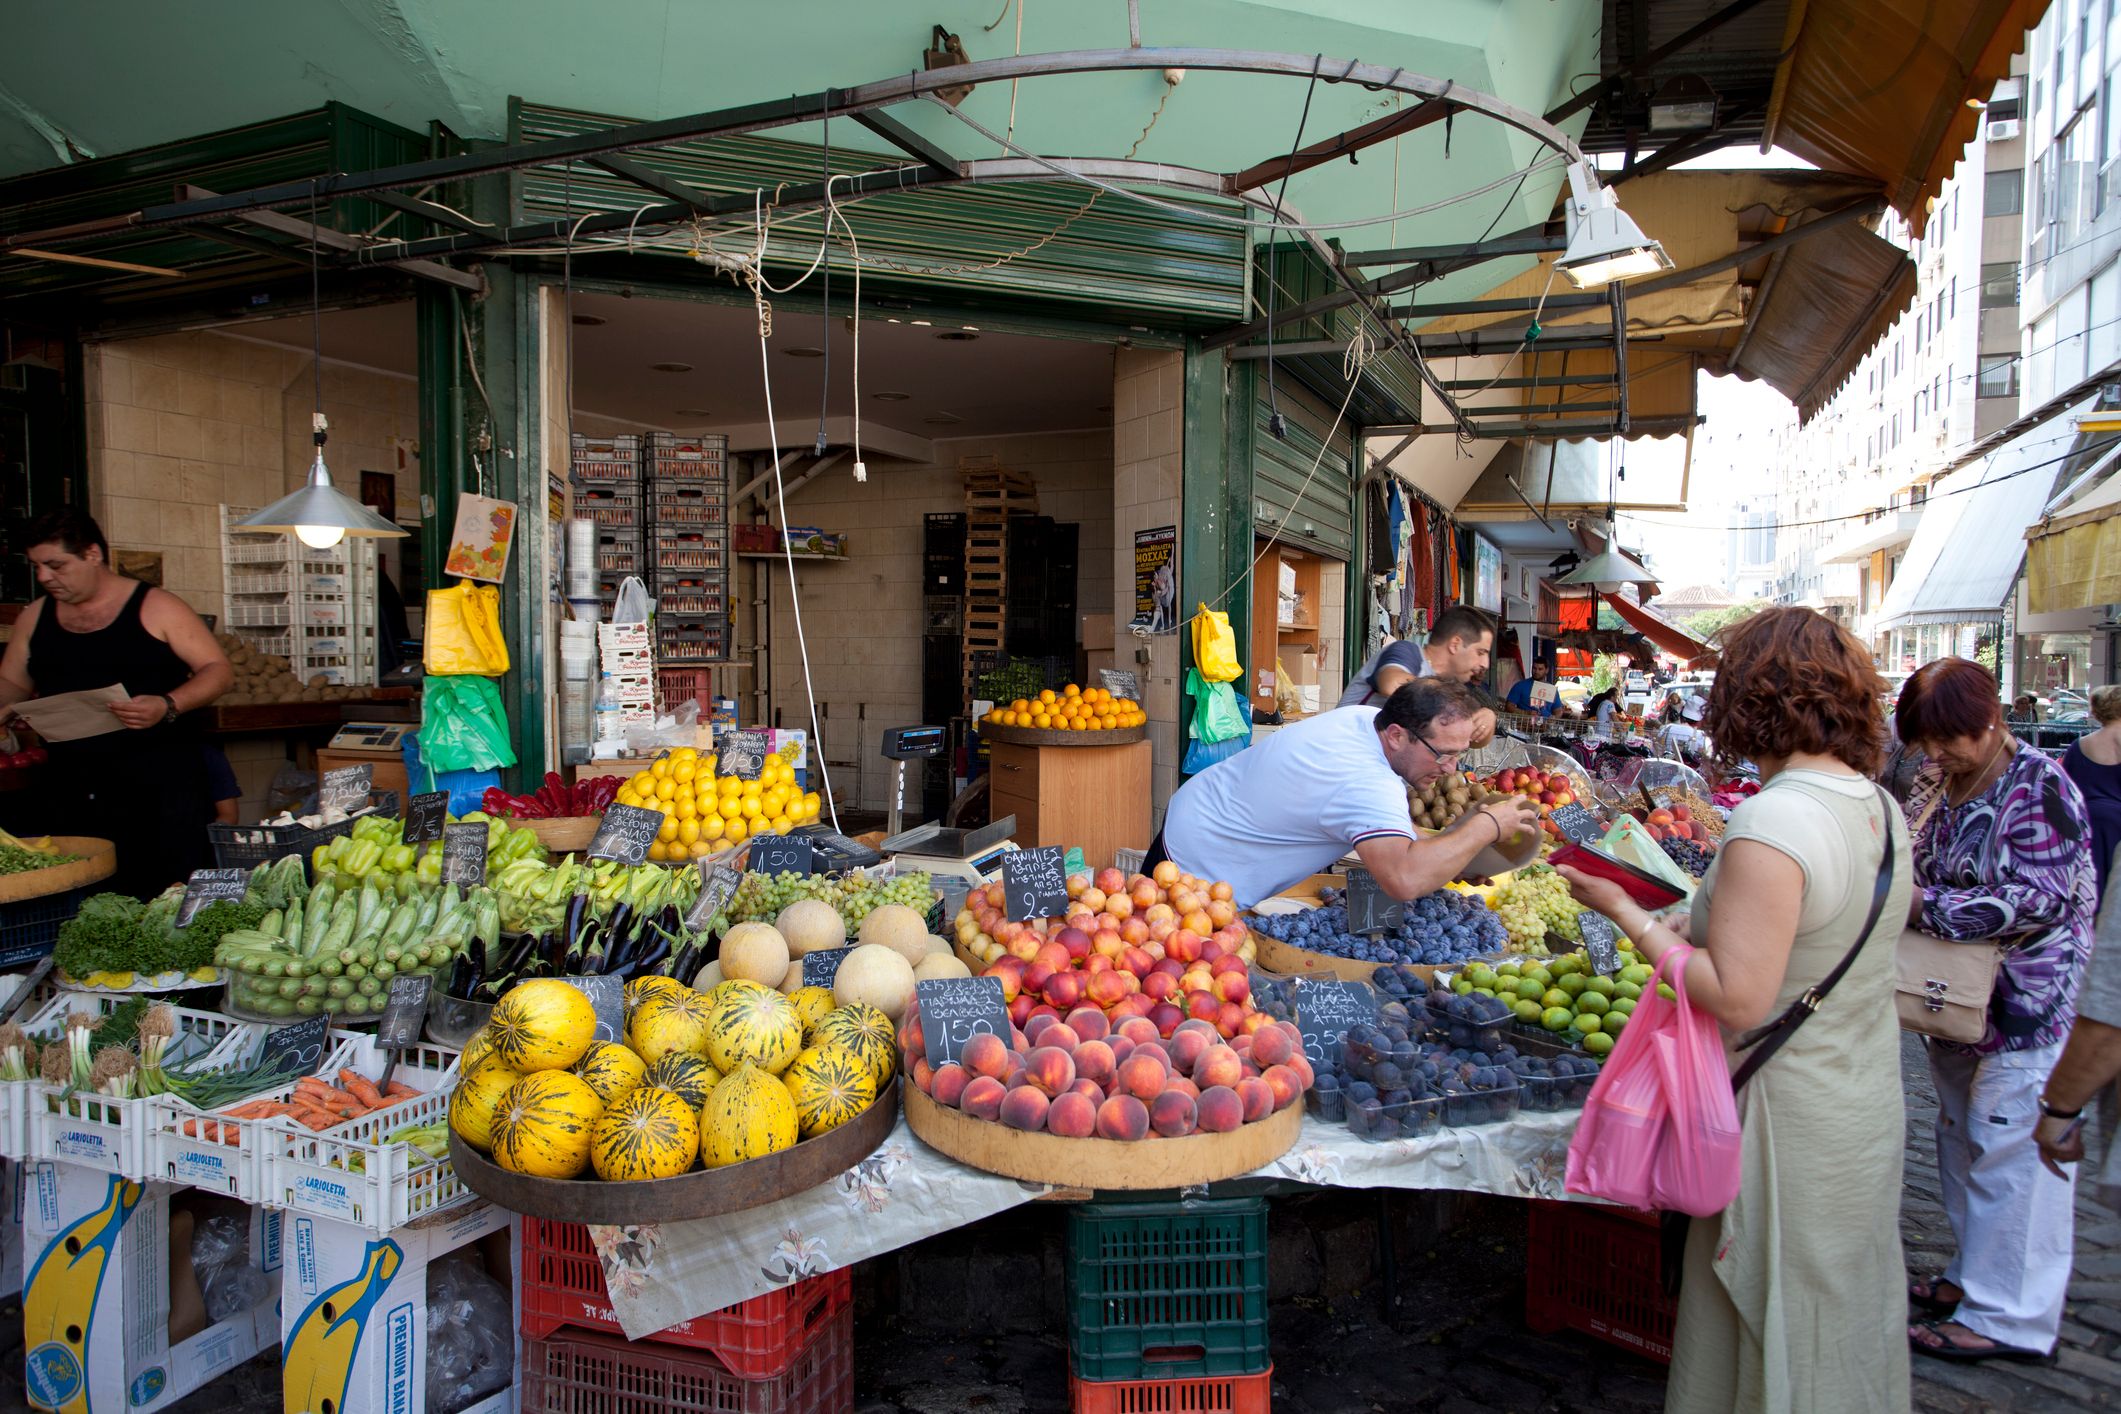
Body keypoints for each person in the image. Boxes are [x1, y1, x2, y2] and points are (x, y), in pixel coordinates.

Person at [1556, 605, 1912, 1414]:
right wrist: (1700, 921)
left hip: (1780, 1122)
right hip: (1857, 1104)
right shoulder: (1876, 806)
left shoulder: (1774, 819)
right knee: (1836, 1320)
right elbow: (1815, 934)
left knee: (1767, 1322)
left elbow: (1737, 994)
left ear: (1749, 698)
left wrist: (1627, 914)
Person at [1897, 657, 2092, 1363]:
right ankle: (1972, 1275)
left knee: (2012, 1150)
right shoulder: (1938, 781)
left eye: (1947, 738)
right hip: (1955, 998)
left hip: (2025, 1002)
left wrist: (1922, 906)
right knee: (1960, 1135)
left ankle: (2009, 1316)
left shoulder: (2039, 785)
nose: (1934, 753)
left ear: (1991, 721)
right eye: (1923, 740)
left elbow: (2040, 898)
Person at [0, 509, 231, 897]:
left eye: (56, 565)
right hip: (72, 789)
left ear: (92, 554)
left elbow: (218, 670)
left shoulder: (157, 606)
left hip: (160, 789)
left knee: (164, 895)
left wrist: (168, 704)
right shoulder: (35, 616)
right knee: (84, 897)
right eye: (37, 566)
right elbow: (11, 682)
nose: (44, 577)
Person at [1154, 679, 1541, 909]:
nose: (1451, 768)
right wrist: (1486, 827)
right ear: (1397, 735)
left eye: (1458, 755)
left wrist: (1453, 856)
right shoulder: (1368, 781)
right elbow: (1403, 879)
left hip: (1195, 818)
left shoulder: (1367, 721)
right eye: (1443, 754)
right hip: (1197, 869)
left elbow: (1394, 832)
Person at [1336, 605, 1499, 747]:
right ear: (1455, 645)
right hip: (1342, 754)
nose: (1485, 664)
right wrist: (1453, 703)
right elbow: (1391, 684)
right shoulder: (1407, 652)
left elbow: (1472, 740)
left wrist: (1487, 720)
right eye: (1480, 652)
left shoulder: (1448, 686)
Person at [2063, 683, 2121, 906]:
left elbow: (2065, 790)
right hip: (2118, 824)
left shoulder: (2079, 745)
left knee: (2091, 889)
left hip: (2086, 824)